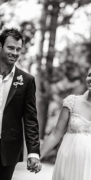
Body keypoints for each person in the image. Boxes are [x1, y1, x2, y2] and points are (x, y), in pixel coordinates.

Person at [40, 63, 91, 180]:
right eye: (89, 75)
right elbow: (56, 133)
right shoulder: (71, 101)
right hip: (68, 160)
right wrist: (37, 156)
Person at [0, 28, 41, 180]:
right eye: (10, 47)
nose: (15, 53)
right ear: (0, 46)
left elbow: (30, 118)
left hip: (8, 149)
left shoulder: (27, 80)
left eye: (18, 49)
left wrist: (33, 152)